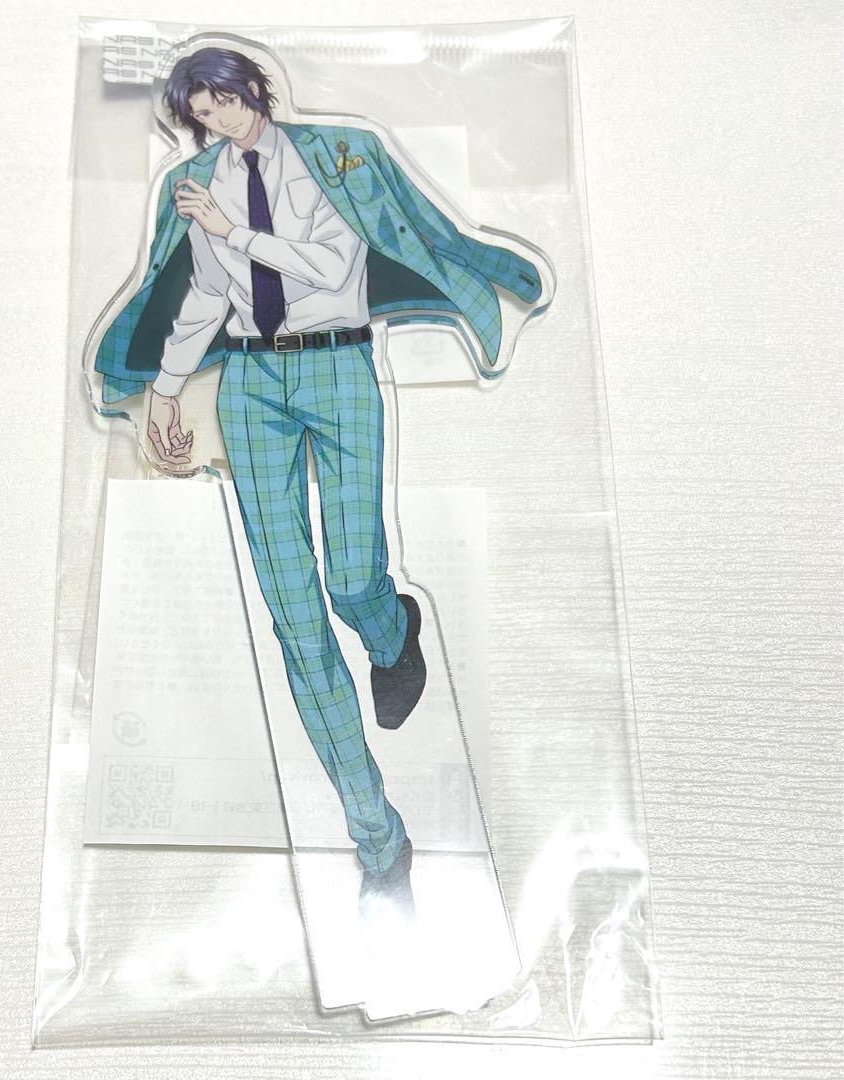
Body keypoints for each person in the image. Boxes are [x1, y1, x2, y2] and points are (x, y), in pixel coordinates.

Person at [93, 47, 546, 921]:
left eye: (226, 103)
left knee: (349, 578)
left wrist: (232, 230)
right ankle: (378, 839)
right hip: (252, 385)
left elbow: (333, 267)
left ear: (254, 91)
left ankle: (390, 628)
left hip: (339, 368)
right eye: (202, 117)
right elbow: (205, 295)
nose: (219, 124)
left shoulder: (335, 156)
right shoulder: (195, 184)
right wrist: (165, 391)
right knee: (296, 620)